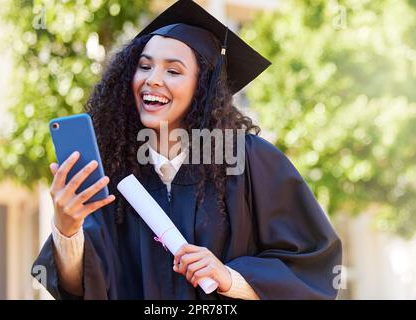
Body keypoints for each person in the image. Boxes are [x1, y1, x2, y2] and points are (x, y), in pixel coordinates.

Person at [32, 0, 342, 300]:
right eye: (144, 66)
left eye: (173, 71)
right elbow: (82, 286)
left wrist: (230, 278)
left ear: (202, 86)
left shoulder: (249, 161)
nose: (152, 80)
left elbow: (312, 268)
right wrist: (67, 229)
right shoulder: (113, 171)